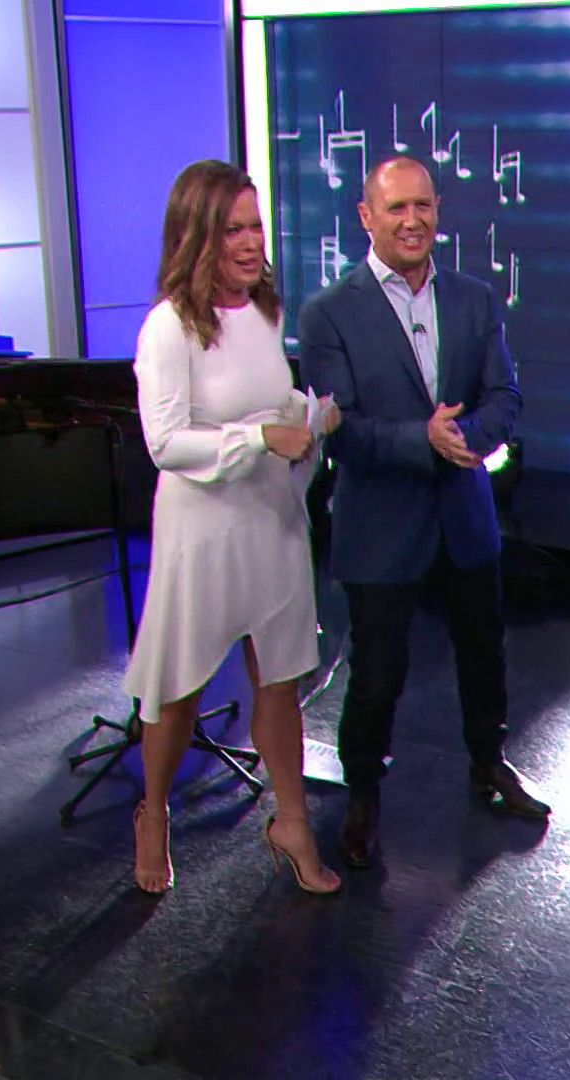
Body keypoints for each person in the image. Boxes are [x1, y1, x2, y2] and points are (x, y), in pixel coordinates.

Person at [298, 155, 550, 870]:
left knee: (483, 652)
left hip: (464, 513)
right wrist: (423, 440)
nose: (412, 221)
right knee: (377, 671)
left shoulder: (474, 299)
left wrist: (465, 437)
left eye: (423, 206)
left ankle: (488, 764)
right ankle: (363, 792)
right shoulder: (327, 314)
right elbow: (339, 428)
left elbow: (505, 395)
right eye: (396, 208)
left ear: (438, 211)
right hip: (380, 522)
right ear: (366, 217)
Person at [121, 159, 341, 896]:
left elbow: (270, 406)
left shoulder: (266, 312)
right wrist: (258, 439)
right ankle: (154, 812)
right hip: (204, 527)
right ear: (196, 237)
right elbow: (164, 443)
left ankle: (292, 824)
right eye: (232, 230)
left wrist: (308, 422)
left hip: (272, 517)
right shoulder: (168, 328)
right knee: (180, 683)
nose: (251, 244)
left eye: (255, 227)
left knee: (280, 675)